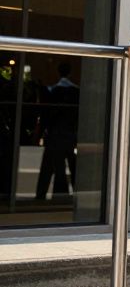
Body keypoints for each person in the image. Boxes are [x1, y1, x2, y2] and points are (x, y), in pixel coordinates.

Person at [35, 62, 79, 200]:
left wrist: (41, 132)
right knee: (70, 165)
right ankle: (66, 195)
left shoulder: (53, 91)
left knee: (52, 164)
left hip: (55, 133)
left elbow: (46, 114)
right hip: (69, 133)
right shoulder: (75, 91)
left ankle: (49, 195)